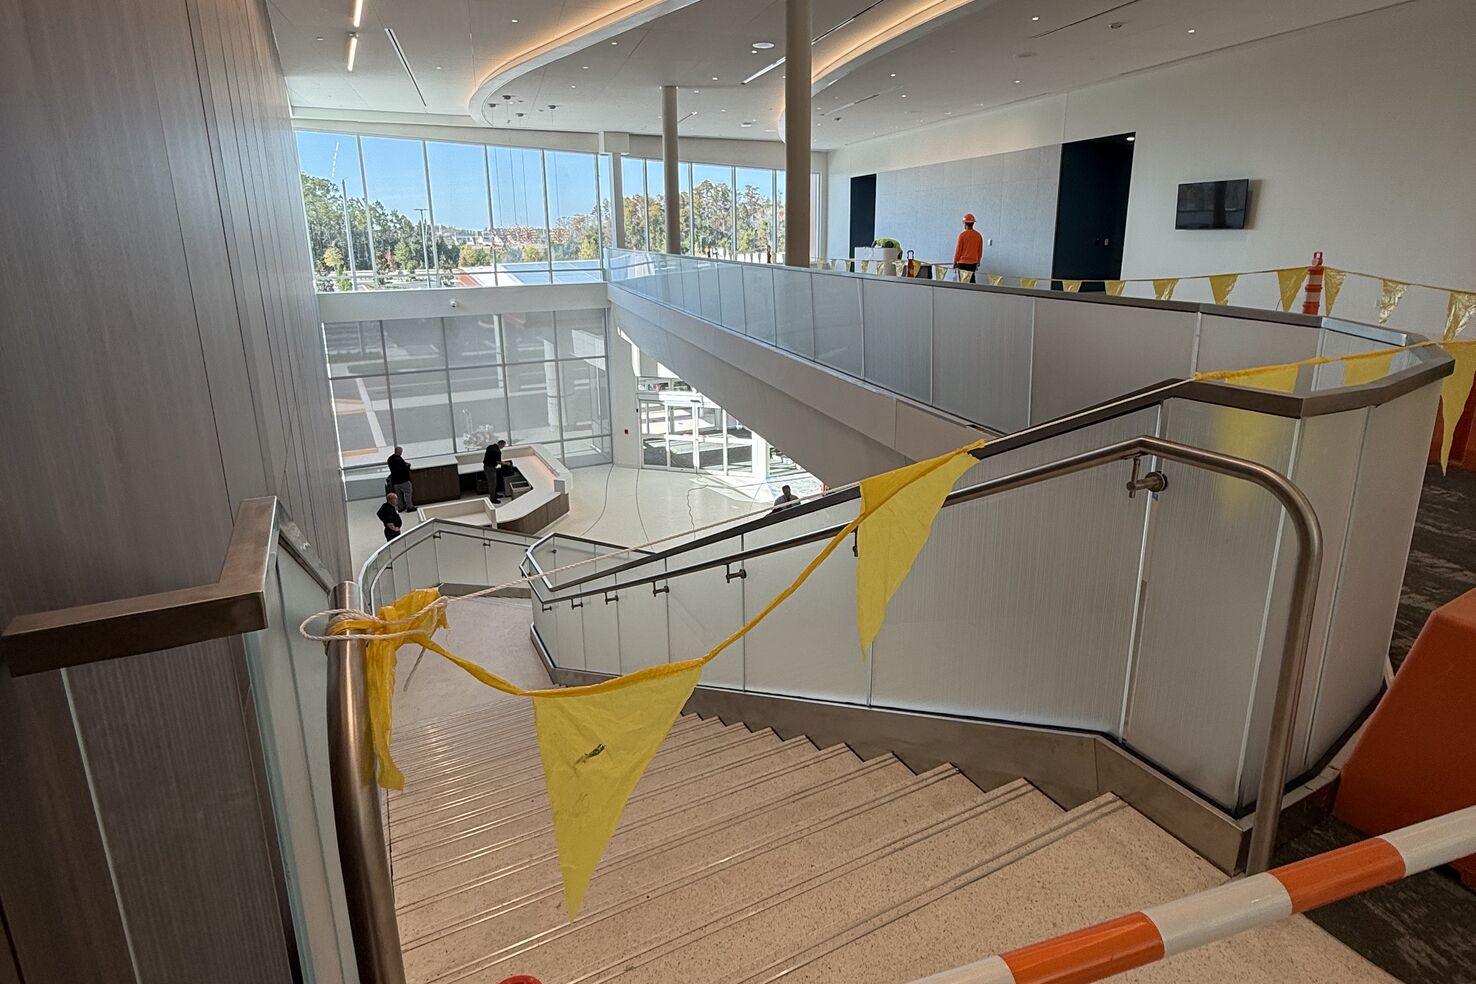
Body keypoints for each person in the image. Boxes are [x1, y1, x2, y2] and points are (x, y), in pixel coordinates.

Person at [952, 213, 984, 281]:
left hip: (962, 263)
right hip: (973, 263)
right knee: (971, 281)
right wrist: (978, 261)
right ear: (973, 223)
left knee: (963, 282)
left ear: (965, 223)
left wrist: (955, 261)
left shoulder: (962, 235)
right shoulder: (978, 235)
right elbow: (980, 251)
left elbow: (958, 250)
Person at [387, 446, 413, 511]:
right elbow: (404, 469)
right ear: (400, 452)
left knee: (398, 495)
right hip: (403, 480)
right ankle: (409, 507)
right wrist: (408, 466)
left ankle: (400, 507)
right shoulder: (399, 459)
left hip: (395, 480)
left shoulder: (390, 459)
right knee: (408, 493)